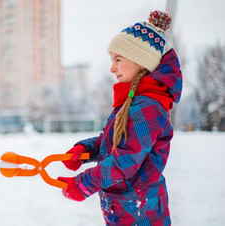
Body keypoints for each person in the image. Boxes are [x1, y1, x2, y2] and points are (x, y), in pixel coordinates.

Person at [57, 10, 183, 225]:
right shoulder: (133, 102)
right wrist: (86, 150)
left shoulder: (148, 107)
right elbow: (116, 142)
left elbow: (124, 161)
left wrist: (84, 184)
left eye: (118, 59)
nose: (112, 67)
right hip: (126, 211)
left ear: (140, 62)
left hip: (142, 215)